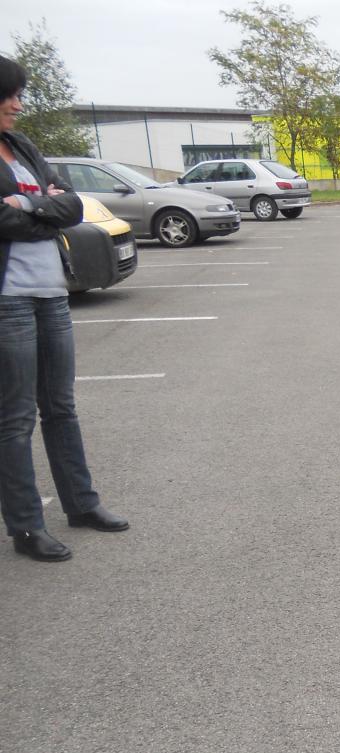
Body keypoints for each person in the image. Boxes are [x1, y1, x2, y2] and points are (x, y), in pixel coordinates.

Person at [0, 56, 128, 563]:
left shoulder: (21, 147)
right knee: (14, 418)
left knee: (60, 407)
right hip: (7, 300)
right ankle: (26, 527)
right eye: (8, 94)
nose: (17, 103)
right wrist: (43, 209)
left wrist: (28, 207)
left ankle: (80, 504)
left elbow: (71, 205)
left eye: (19, 93)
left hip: (52, 292)